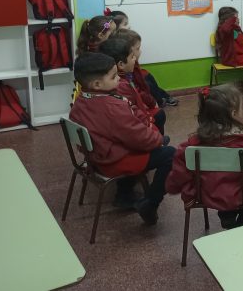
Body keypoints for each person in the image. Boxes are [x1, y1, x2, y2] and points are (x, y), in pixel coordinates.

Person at [70, 52, 175, 225]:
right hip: (113, 161)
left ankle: (124, 193)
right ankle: (150, 204)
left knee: (150, 144)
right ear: (97, 84)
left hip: (95, 158)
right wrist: (157, 139)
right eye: (113, 77)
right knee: (171, 155)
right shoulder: (111, 107)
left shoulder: (80, 101)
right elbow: (138, 137)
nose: (118, 79)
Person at [166, 84, 243, 229]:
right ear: (233, 113)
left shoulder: (189, 148)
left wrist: (172, 187)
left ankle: (226, 216)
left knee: (220, 183)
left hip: (207, 194)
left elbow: (178, 176)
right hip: (242, 196)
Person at [98, 35, 167, 136]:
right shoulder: (122, 85)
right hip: (138, 128)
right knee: (159, 115)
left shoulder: (125, 76)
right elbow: (134, 113)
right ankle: (159, 141)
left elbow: (137, 94)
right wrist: (150, 124)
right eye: (132, 57)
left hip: (139, 119)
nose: (135, 59)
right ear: (121, 64)